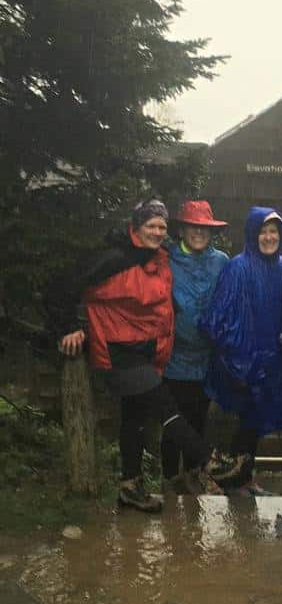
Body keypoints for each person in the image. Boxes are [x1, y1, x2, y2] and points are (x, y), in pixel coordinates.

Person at [49, 199, 238, 511]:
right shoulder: (114, 259)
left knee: (135, 420)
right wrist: (69, 327)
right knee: (166, 407)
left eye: (162, 226)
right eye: (151, 225)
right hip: (119, 351)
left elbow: (162, 301)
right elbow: (64, 286)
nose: (157, 231)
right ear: (136, 227)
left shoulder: (160, 258)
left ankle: (130, 485)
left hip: (146, 350)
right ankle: (210, 460)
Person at [202, 206, 282, 496]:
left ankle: (246, 478)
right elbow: (218, 317)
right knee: (238, 424)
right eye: (263, 231)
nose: (268, 237)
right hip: (240, 363)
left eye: (274, 231)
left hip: (271, 361)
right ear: (253, 234)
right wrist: (237, 358)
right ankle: (232, 482)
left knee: (255, 424)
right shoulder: (237, 267)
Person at [162, 200, 229, 489]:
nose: (198, 232)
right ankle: (168, 479)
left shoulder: (222, 261)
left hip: (207, 358)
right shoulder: (166, 259)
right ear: (182, 229)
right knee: (173, 423)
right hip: (174, 356)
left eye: (204, 227)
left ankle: (191, 478)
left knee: (198, 420)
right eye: (193, 226)